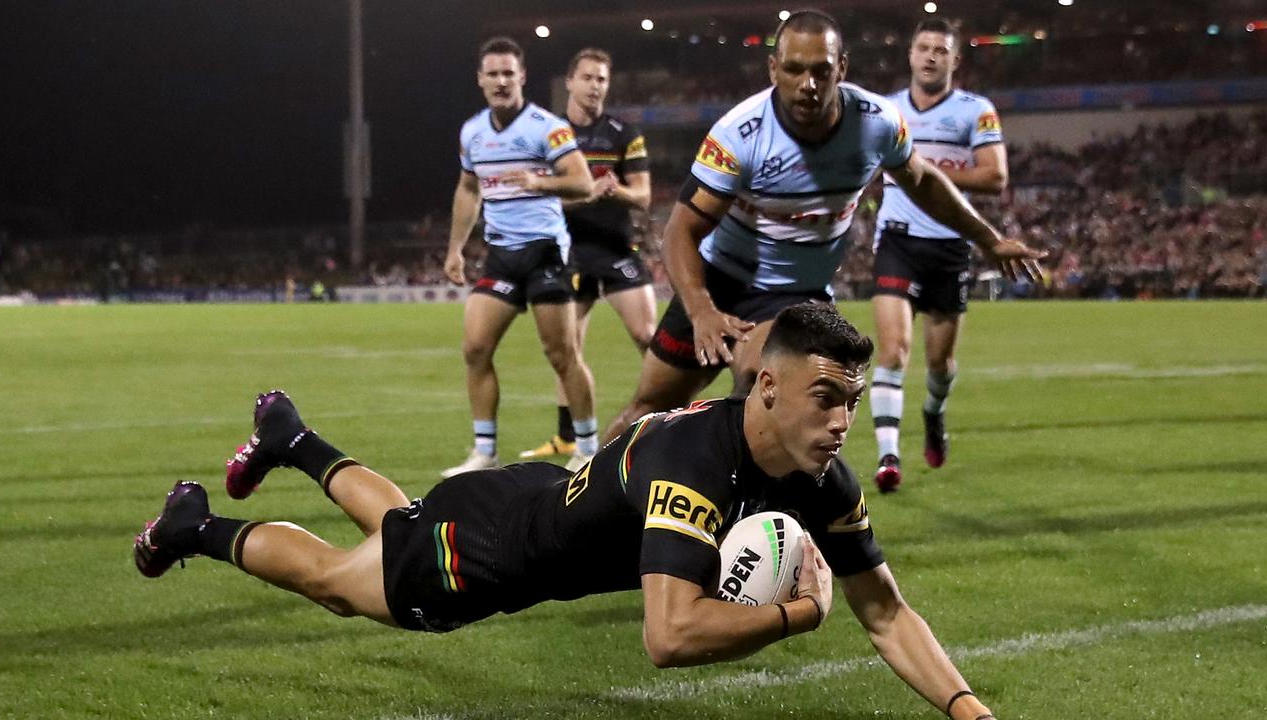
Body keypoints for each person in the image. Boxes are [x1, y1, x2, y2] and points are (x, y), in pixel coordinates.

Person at [133, 304, 999, 719]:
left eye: (852, 400)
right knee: (336, 581)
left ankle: (292, 437)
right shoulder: (695, 468)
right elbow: (669, 637)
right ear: (767, 388)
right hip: (492, 553)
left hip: (521, 494)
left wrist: (968, 710)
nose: (843, 421)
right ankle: (193, 527)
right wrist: (794, 613)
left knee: (395, 530)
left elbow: (885, 611)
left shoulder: (821, 479)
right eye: (825, 398)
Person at [601, 10, 1043, 447]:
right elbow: (680, 230)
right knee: (648, 410)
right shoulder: (739, 135)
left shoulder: (875, 122)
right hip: (720, 279)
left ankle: (738, 505)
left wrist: (989, 239)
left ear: (842, 69)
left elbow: (923, 181)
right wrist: (701, 310)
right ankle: (572, 500)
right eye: (793, 69)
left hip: (797, 293)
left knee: (762, 386)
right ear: (773, 68)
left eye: (821, 71)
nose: (807, 85)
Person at [441, 37, 599, 477]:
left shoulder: (547, 127)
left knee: (562, 354)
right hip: (501, 255)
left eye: (509, 73)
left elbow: (583, 183)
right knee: (475, 348)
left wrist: (538, 181)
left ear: (522, 77)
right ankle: (485, 451)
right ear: (480, 79)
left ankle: (587, 448)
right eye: (492, 73)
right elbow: (468, 188)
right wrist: (455, 248)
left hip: (545, 253)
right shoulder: (472, 132)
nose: (501, 81)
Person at [868, 20, 1010, 493]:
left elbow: (994, 176)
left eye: (940, 50)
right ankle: (888, 456)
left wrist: (925, 173)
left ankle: (933, 413)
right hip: (897, 241)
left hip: (950, 246)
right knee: (892, 351)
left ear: (955, 60)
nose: (931, 57)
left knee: (939, 365)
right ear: (910, 55)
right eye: (923, 48)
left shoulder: (975, 111)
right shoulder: (886, 110)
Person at [520, 48, 656, 465]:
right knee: (566, 348)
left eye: (602, 79)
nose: (595, 86)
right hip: (568, 253)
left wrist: (615, 190)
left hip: (615, 249)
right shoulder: (550, 135)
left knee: (648, 336)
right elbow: (538, 197)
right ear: (570, 82)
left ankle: (674, 415)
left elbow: (644, 196)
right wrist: (583, 194)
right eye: (588, 78)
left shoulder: (623, 131)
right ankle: (568, 438)